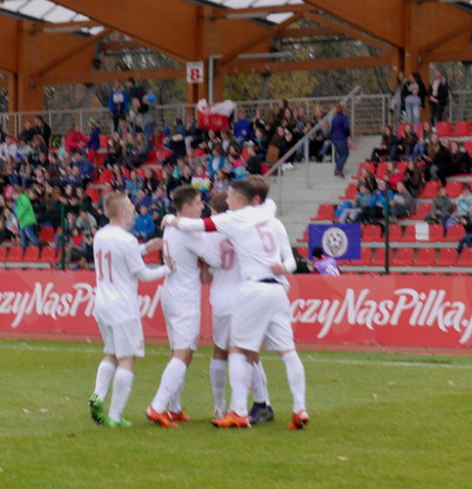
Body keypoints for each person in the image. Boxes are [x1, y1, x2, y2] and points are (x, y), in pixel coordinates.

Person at [162, 176, 308, 430]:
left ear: (239, 200)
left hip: (251, 289)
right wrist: (282, 267)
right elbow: (292, 262)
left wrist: (170, 220)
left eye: (230, 197)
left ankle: (237, 410)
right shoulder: (273, 221)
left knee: (237, 350)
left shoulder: (234, 219)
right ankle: (299, 408)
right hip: (278, 289)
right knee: (288, 351)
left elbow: (195, 227)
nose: (227, 201)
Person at [88, 192, 170, 428]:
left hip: (102, 303)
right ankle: (115, 415)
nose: (134, 207)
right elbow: (143, 274)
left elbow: (119, 258)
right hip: (123, 305)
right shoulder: (126, 240)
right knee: (127, 357)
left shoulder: (101, 235)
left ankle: (97, 396)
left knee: (112, 353)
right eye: (130, 205)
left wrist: (145, 248)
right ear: (122, 212)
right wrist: (168, 269)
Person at [146, 186, 207, 428]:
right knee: (184, 354)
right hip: (185, 297)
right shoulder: (187, 232)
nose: (202, 206)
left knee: (178, 352)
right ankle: (157, 407)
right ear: (186, 207)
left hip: (171, 293)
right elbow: (213, 257)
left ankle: (174, 408)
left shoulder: (171, 226)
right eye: (199, 202)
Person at [330, 104, 351, 178]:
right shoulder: (344, 117)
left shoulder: (335, 118)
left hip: (334, 138)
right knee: (345, 154)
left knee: (340, 154)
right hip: (341, 137)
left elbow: (332, 128)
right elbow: (346, 128)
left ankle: (337, 168)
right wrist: (348, 135)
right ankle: (338, 169)